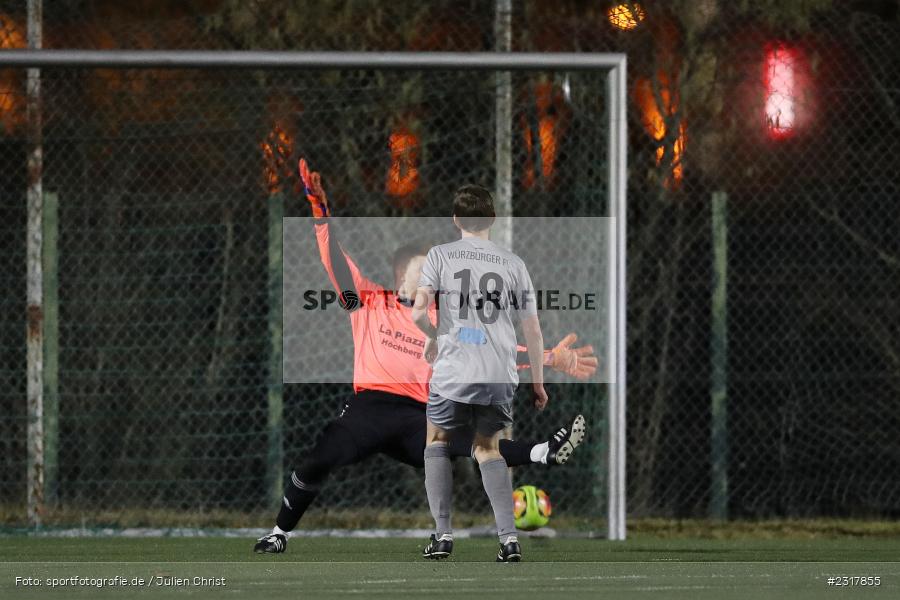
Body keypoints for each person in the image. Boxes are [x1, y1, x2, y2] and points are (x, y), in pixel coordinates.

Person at [254, 161, 594, 554]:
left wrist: (550, 357)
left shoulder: (441, 318)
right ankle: (280, 533)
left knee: (473, 444)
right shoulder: (367, 302)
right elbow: (332, 257)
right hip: (371, 407)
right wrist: (319, 209)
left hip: (421, 415)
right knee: (322, 456)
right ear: (402, 277)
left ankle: (543, 452)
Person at [412, 184, 544, 563]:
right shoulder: (513, 263)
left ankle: (442, 535)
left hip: (455, 370)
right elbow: (532, 330)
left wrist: (434, 337)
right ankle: (509, 540)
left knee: (436, 441)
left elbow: (418, 312)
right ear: (492, 220)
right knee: (489, 449)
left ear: (455, 220)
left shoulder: (440, 255)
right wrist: (537, 381)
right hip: (499, 373)